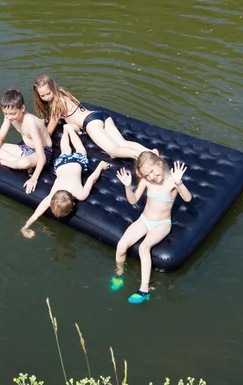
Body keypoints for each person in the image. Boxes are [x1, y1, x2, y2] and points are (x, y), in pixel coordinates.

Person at [112, 151, 192, 304]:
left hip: (162, 224)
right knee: (121, 245)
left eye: (152, 172)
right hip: (144, 219)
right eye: (147, 175)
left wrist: (179, 182)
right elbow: (133, 200)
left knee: (144, 248)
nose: (151, 177)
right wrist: (127, 187)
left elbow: (188, 198)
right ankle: (119, 273)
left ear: (160, 163)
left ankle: (144, 290)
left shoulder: (172, 181)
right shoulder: (146, 181)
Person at [21, 124, 110, 238]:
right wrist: (25, 226)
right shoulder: (54, 195)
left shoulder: (79, 194)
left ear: (73, 205)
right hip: (61, 165)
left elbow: (92, 179)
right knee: (70, 149)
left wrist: (100, 167)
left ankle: (68, 130)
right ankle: (67, 129)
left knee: (78, 149)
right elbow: (91, 179)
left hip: (74, 162)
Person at [33, 74, 150, 159]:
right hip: (99, 115)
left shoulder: (56, 105)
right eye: (42, 96)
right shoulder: (63, 92)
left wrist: (38, 142)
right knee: (123, 143)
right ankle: (150, 152)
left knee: (113, 151)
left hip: (91, 123)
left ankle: (140, 157)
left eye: (48, 93)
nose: (46, 98)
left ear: (53, 88)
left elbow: (49, 131)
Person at [0, 89, 53, 194]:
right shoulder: (9, 117)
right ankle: (17, 163)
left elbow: (42, 156)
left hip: (43, 152)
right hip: (25, 148)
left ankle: (1, 161)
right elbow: (0, 137)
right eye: (6, 114)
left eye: (13, 114)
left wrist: (34, 178)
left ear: (22, 108)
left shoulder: (30, 123)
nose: (9, 117)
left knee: (24, 163)